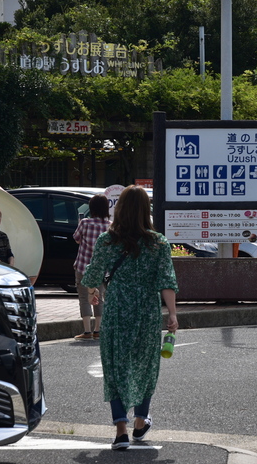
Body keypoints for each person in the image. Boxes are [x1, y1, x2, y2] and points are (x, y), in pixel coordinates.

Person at [80, 185, 179, 451]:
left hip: (116, 313)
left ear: (120, 208)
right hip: (146, 313)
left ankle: (120, 430)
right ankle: (139, 422)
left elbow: (91, 276)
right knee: (145, 367)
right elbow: (166, 280)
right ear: (146, 210)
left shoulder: (107, 240)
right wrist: (172, 313)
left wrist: (93, 291)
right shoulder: (158, 242)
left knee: (116, 367)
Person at [72, 194, 111, 340]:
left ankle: (87, 331)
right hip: (102, 268)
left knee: (84, 297)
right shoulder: (110, 226)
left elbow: (76, 239)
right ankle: (98, 330)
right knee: (99, 297)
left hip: (83, 265)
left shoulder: (84, 223)